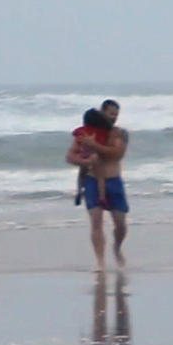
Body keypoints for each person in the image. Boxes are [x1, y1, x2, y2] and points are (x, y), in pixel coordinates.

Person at [66, 99, 129, 271]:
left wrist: (94, 145)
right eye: (110, 114)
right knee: (96, 221)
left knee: (120, 224)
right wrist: (84, 162)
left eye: (116, 115)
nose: (114, 118)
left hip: (113, 180)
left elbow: (116, 154)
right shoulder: (86, 133)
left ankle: (117, 247)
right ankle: (100, 262)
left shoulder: (119, 133)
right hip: (92, 180)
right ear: (102, 113)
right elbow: (70, 156)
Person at [72, 108, 113, 208]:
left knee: (81, 174)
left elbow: (75, 134)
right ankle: (102, 197)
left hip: (84, 155)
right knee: (100, 177)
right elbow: (104, 141)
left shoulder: (81, 131)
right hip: (95, 156)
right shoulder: (101, 132)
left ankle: (79, 191)